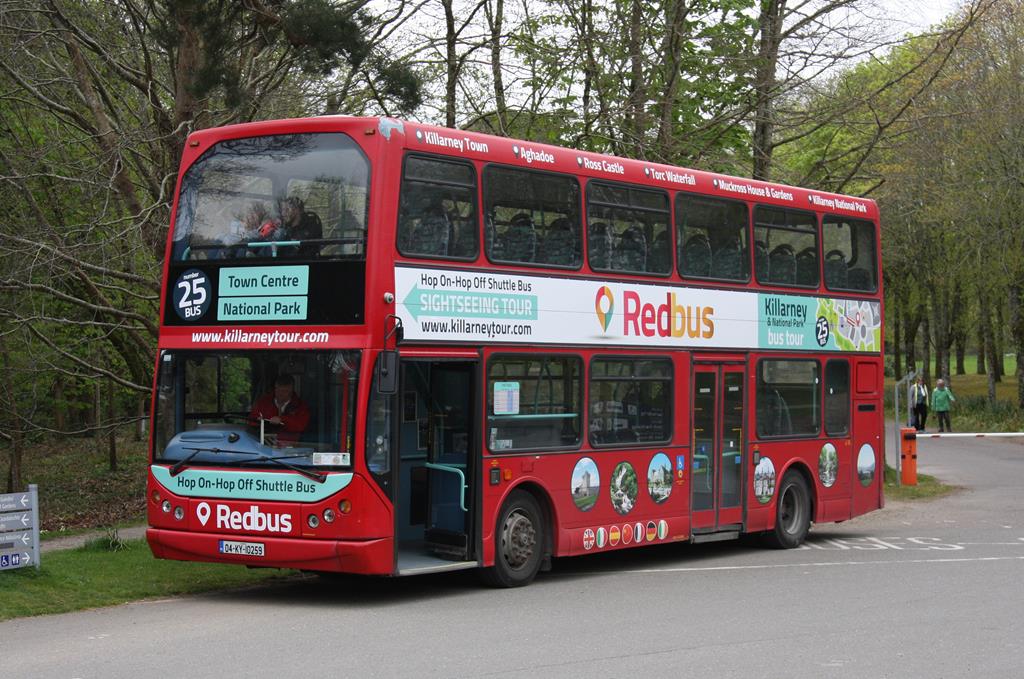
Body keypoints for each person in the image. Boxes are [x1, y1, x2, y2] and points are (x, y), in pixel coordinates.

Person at [248, 374, 310, 446]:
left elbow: (300, 425)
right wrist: (259, 422)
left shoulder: (300, 406)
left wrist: (282, 420)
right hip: (263, 444)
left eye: (285, 391)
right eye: (278, 390)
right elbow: (251, 420)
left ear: (292, 390)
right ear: (275, 388)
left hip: (291, 446)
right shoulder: (263, 403)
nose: (281, 394)